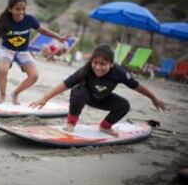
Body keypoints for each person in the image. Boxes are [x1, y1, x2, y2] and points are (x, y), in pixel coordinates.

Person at [30, 44, 165, 137]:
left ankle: (105, 126)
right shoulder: (86, 69)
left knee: (124, 105)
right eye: (95, 63)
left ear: (111, 64)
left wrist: (153, 98)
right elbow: (66, 84)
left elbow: (136, 86)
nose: (98, 67)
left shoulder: (119, 73)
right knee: (78, 90)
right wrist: (45, 98)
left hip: (103, 99)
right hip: (86, 96)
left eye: (103, 64)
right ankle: (71, 123)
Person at [0, 0, 70, 105]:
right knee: (3, 69)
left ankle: (15, 93)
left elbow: (42, 30)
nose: (21, 12)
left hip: (23, 51)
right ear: (10, 9)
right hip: (7, 49)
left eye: (23, 9)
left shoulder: (29, 19)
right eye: (17, 9)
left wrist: (59, 37)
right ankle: (2, 95)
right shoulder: (4, 22)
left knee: (34, 76)